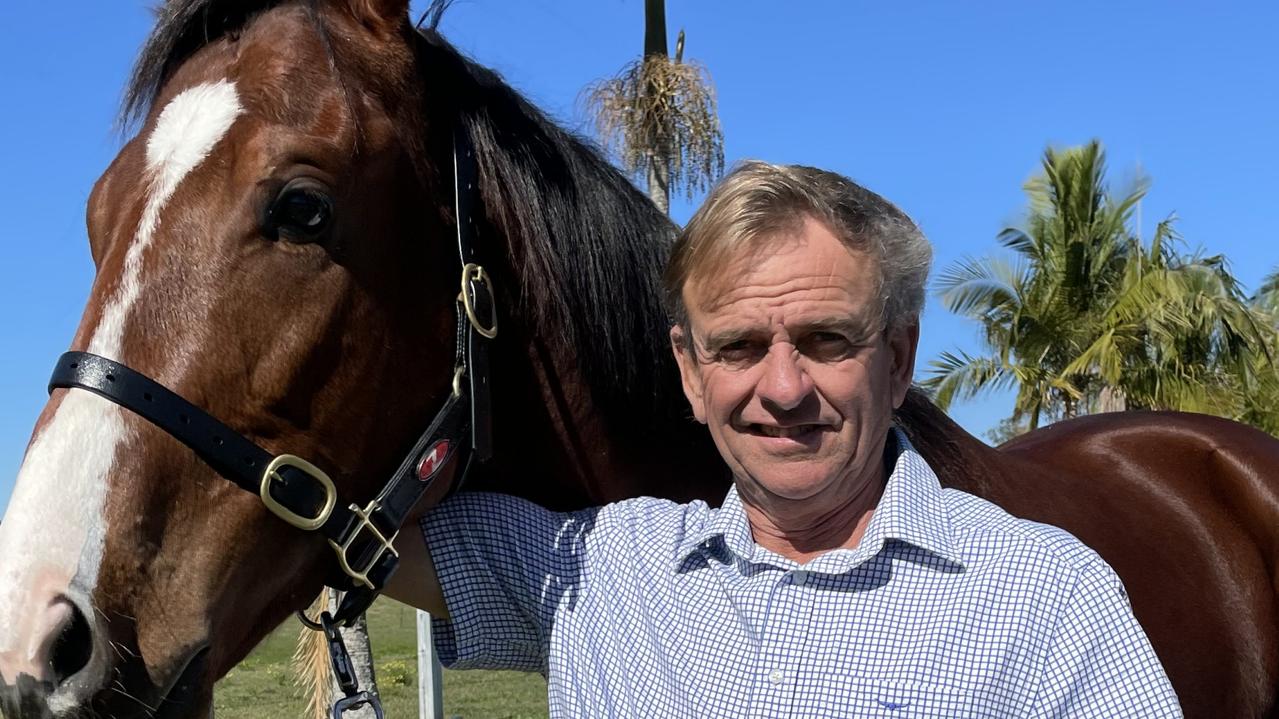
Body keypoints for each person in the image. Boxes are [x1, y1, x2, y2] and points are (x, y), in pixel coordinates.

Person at [386, 161, 1181, 717]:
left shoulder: (1044, 596)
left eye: (826, 340)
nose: (783, 388)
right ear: (691, 374)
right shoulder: (601, 566)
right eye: (735, 347)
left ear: (897, 359)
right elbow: (338, 522)